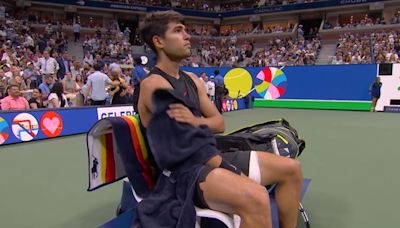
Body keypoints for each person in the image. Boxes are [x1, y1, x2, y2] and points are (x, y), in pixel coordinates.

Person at [137, 10, 302, 228]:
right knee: (257, 197)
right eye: (178, 31)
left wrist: (195, 123)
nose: (187, 36)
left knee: (292, 169)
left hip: (209, 155)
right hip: (181, 173)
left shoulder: (193, 81)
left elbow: (220, 123)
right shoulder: (154, 85)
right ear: (158, 41)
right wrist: (230, 168)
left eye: (186, 30)